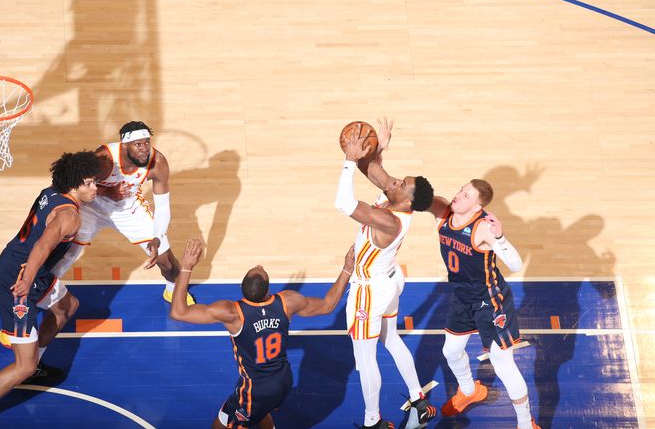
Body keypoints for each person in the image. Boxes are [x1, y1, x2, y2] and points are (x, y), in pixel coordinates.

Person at [0, 151, 100, 429]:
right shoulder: (69, 216)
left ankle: (38, 360)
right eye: (89, 183)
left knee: (67, 307)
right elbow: (42, 247)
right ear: (74, 185)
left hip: (28, 269)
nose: (95, 188)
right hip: (17, 280)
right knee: (23, 366)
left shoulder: (52, 191)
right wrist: (27, 282)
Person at [170, 238, 358, 429]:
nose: (259, 264)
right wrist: (347, 268)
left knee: (219, 427)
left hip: (255, 391)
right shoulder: (287, 302)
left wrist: (186, 266)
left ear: (242, 289)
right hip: (283, 379)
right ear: (268, 290)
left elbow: (178, 312)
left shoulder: (232, 313)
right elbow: (327, 305)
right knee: (261, 412)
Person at [335, 121, 437, 429]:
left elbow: (343, 203)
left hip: (369, 290)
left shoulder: (390, 220)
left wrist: (350, 161)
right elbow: (376, 170)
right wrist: (377, 147)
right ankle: (418, 400)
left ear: (406, 199)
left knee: (365, 357)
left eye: (399, 184)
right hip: (390, 281)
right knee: (391, 339)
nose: (392, 183)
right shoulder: (400, 200)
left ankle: (372, 422)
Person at [427, 180, 540, 429]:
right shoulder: (445, 216)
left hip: (491, 302)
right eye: (459, 190)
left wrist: (500, 237)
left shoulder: (484, 227)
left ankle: (525, 423)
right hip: (462, 298)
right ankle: (469, 390)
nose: (458, 196)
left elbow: (516, 265)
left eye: (466, 195)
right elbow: (421, 198)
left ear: (478, 205)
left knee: (502, 363)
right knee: (451, 351)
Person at [51, 121, 193, 304]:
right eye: (138, 144)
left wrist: (157, 237)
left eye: (147, 142)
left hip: (129, 209)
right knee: (65, 252)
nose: (145, 149)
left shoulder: (157, 163)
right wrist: (108, 192)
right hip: (92, 205)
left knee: (166, 260)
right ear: (124, 146)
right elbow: (73, 185)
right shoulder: (104, 160)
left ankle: (172, 291)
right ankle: (44, 288)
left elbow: (163, 206)